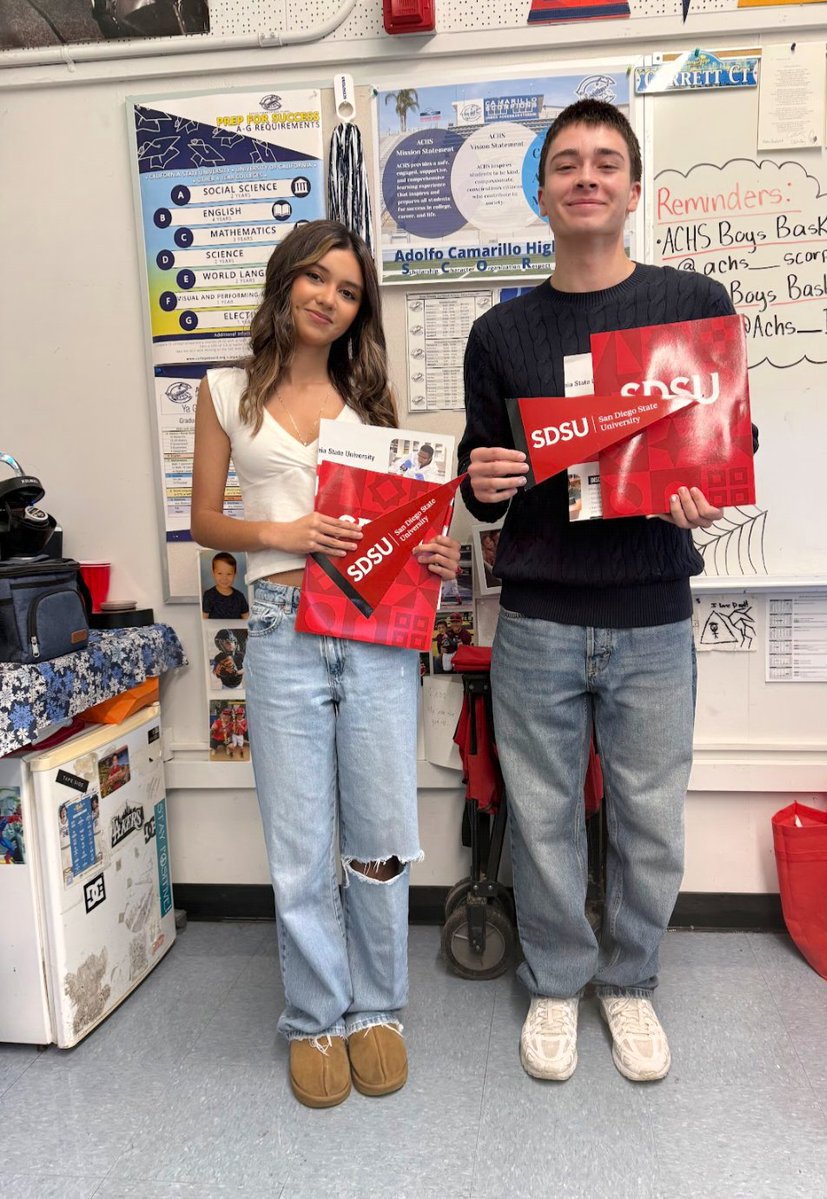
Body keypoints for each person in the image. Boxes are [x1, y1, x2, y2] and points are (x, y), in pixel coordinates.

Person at [459, 98, 756, 1085]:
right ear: (540, 192)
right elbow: (475, 472)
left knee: (648, 820)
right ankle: (554, 981)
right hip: (537, 615)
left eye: (604, 163)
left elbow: (731, 444)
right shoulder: (500, 333)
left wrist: (701, 487)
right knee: (539, 820)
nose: (584, 177)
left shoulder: (691, 302)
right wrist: (481, 483)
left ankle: (627, 982)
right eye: (565, 164)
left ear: (633, 190)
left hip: (648, 615)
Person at [191, 219, 460, 1109]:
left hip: (374, 626)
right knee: (302, 842)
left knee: (380, 837)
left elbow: (401, 528)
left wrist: (433, 558)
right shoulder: (225, 389)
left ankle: (378, 1007)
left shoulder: (371, 403)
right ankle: (316, 1015)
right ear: (285, 281)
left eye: (347, 291)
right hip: (278, 625)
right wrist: (282, 532)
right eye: (315, 279)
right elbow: (206, 523)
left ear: (359, 310)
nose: (328, 299)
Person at [201, 551, 249, 620]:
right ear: (213, 573)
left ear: (235, 574)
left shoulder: (239, 596)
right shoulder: (208, 595)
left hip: (236, 630)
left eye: (229, 574)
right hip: (215, 630)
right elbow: (204, 618)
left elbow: (246, 617)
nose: (224, 578)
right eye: (220, 573)